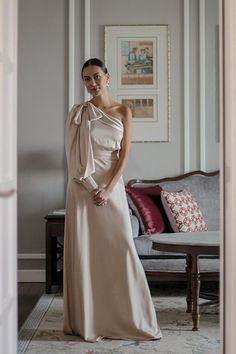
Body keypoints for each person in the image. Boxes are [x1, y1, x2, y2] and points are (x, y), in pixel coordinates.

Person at [63, 58, 162, 342]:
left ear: (107, 77)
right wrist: (93, 186)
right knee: (87, 252)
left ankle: (130, 318)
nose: (92, 83)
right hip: (83, 189)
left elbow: (124, 156)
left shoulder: (123, 111)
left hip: (112, 188)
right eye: (86, 79)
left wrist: (107, 188)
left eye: (96, 77)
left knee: (121, 249)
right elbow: (74, 160)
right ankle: (89, 319)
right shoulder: (78, 113)